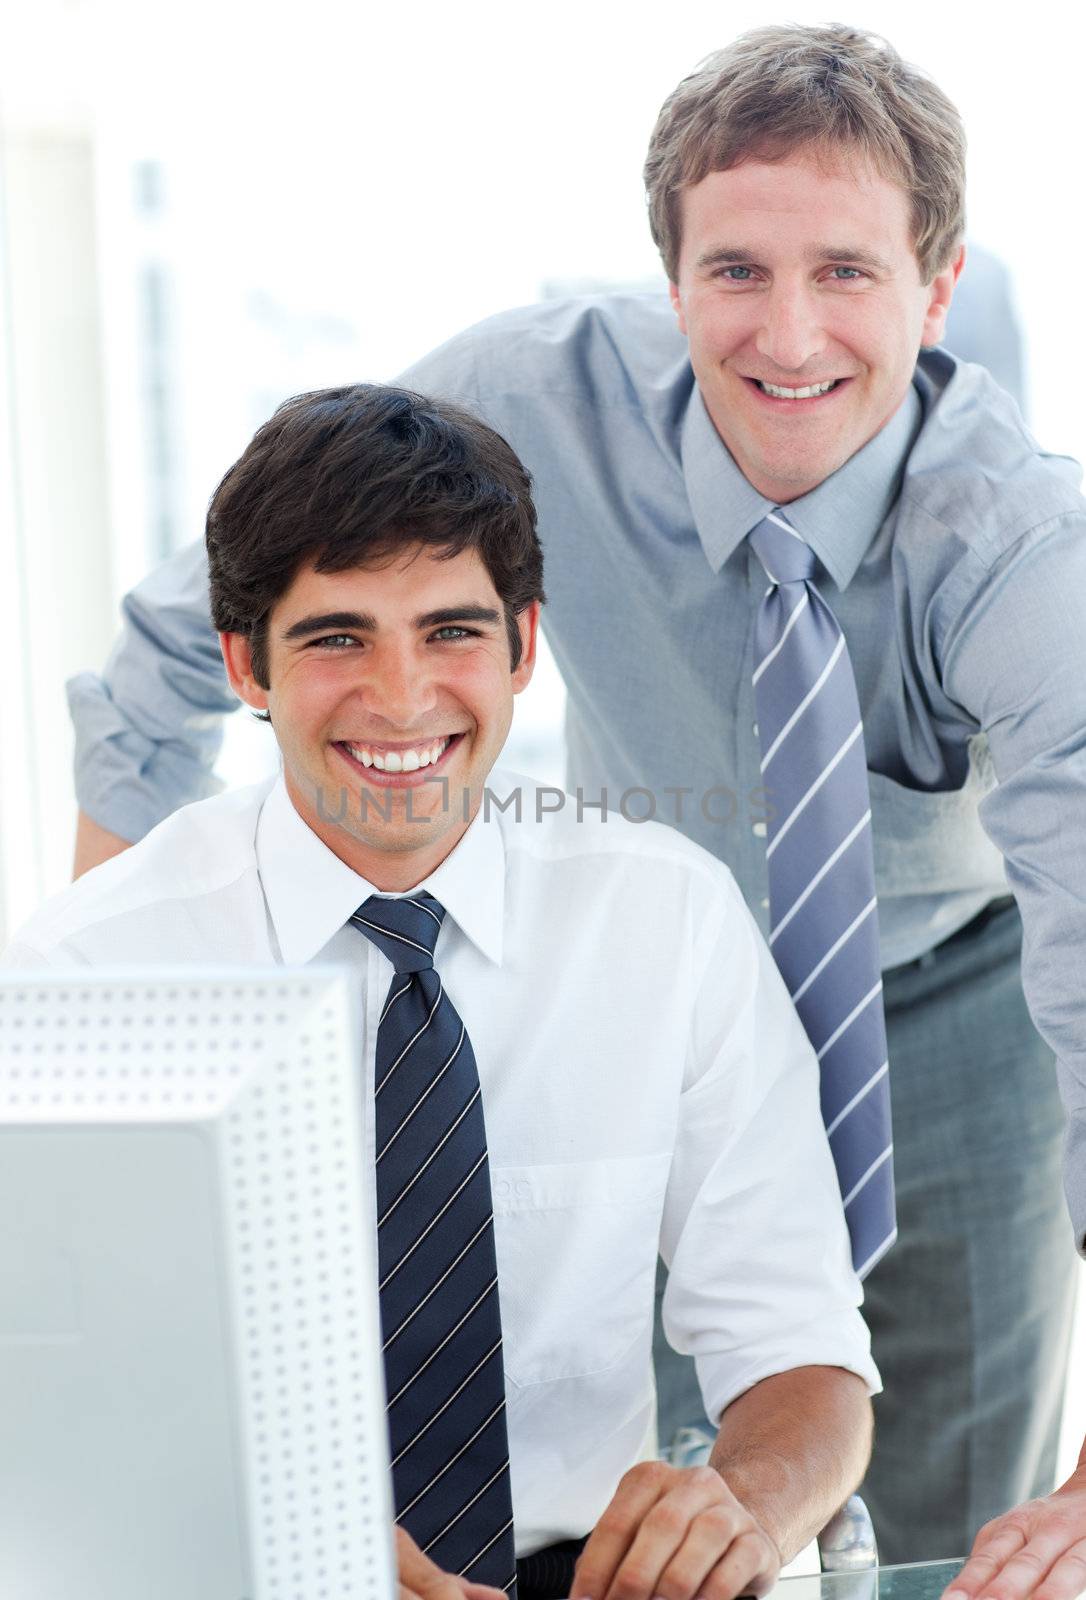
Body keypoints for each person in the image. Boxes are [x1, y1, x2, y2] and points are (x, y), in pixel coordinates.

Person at [64, 23, 1086, 1596]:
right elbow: (205, 629)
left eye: (848, 273)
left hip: (955, 996)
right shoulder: (519, 397)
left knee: (958, 1519)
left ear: (936, 290)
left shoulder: (1017, 549)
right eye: (735, 269)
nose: (789, 331)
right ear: (668, 279)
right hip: (632, 968)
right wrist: (134, 1031)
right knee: (613, 1473)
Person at [7, 384, 879, 1600]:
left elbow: (803, 1352)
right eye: (337, 637)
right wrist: (265, 1544)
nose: (405, 697)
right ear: (245, 666)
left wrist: (742, 1508)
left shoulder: (666, 921)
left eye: (453, 633)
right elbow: (43, 1413)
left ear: (524, 647)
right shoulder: (90, 975)